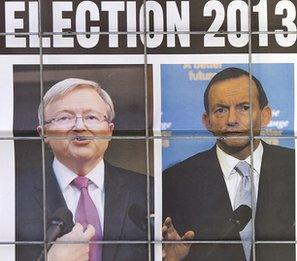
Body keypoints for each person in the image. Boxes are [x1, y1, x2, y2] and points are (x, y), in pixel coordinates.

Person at [16, 78, 191, 261]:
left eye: (91, 117)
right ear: (43, 133)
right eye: (64, 118)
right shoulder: (12, 194)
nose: (80, 127)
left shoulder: (150, 190)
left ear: (109, 130)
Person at [163, 67, 295, 261]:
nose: (232, 120)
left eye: (244, 107)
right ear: (207, 121)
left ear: (265, 115)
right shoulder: (174, 181)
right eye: (221, 110)